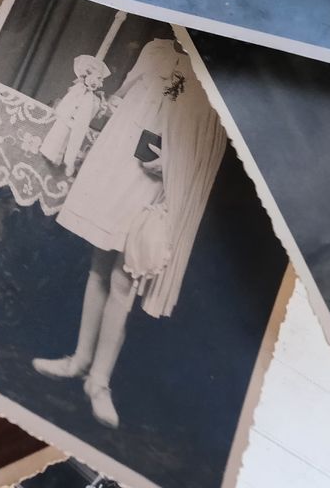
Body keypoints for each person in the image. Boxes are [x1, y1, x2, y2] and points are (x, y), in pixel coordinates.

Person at [32, 37, 224, 430]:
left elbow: (204, 145)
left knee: (124, 281)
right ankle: (79, 360)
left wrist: (171, 163)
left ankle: (99, 382)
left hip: (153, 183)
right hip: (118, 165)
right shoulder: (155, 51)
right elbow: (120, 103)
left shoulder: (210, 74)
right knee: (98, 267)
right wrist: (90, 91)